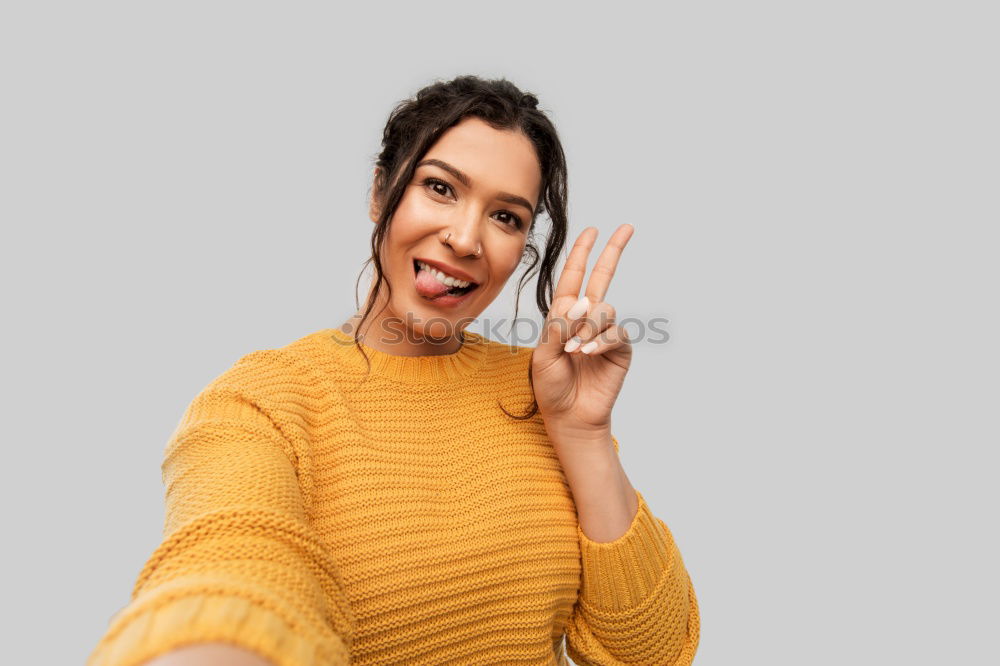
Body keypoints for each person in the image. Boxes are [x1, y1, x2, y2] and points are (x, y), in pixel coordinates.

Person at [87, 75, 700, 666]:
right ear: (381, 191)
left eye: (506, 217)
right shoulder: (261, 402)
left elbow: (652, 652)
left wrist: (584, 434)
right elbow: (228, 568)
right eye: (440, 188)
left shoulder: (541, 389)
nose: (465, 238)